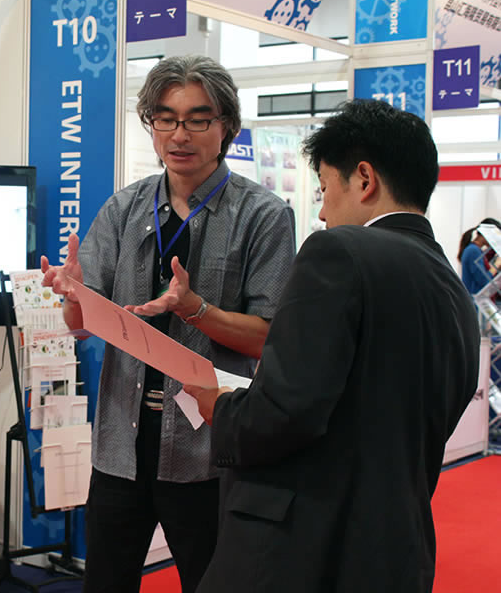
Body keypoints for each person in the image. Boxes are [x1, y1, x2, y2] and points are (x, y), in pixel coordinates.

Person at [186, 99, 481, 593]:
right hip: (396, 549)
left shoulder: (338, 252)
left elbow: (286, 410)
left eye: (324, 189)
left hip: (303, 549)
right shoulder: (454, 290)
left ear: (364, 179)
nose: (322, 212)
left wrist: (223, 407)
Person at [41, 55, 296, 592]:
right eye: (166, 118)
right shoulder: (123, 209)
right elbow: (81, 325)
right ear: (151, 125)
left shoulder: (263, 215)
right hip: (121, 441)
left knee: (214, 584)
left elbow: (270, 336)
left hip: (208, 449)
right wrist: (72, 296)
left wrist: (195, 309)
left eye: (198, 119)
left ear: (226, 126)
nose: (180, 135)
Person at [459, 218, 501, 295]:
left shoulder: (475, 250)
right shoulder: (473, 251)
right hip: (474, 298)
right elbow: (483, 280)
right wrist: (496, 264)